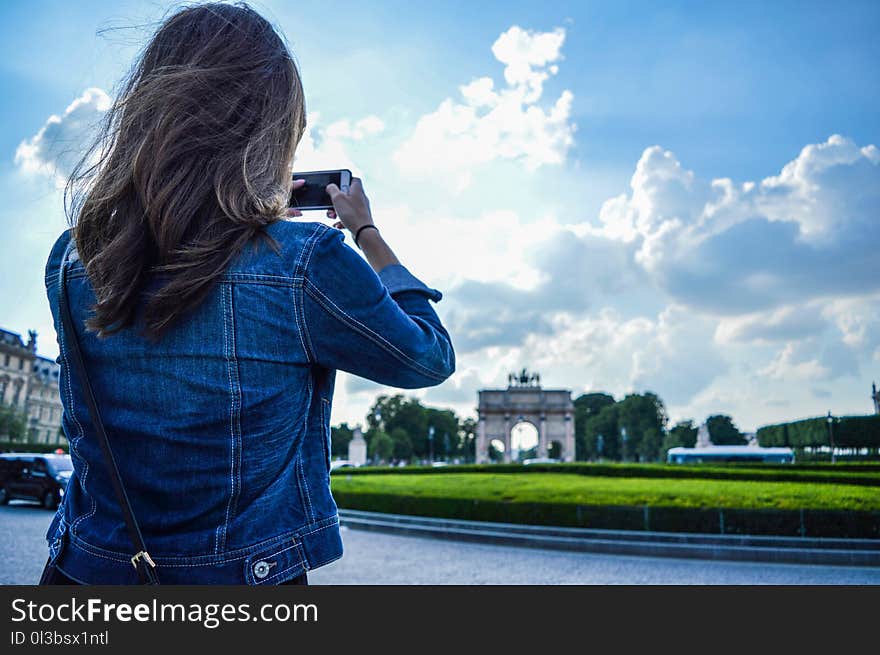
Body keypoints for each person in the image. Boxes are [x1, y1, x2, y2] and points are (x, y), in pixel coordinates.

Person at [40, 2, 454, 585]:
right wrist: (366, 232)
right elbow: (428, 359)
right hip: (242, 582)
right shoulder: (307, 262)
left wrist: (244, 219)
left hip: (89, 575)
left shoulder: (72, 258)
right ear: (272, 134)